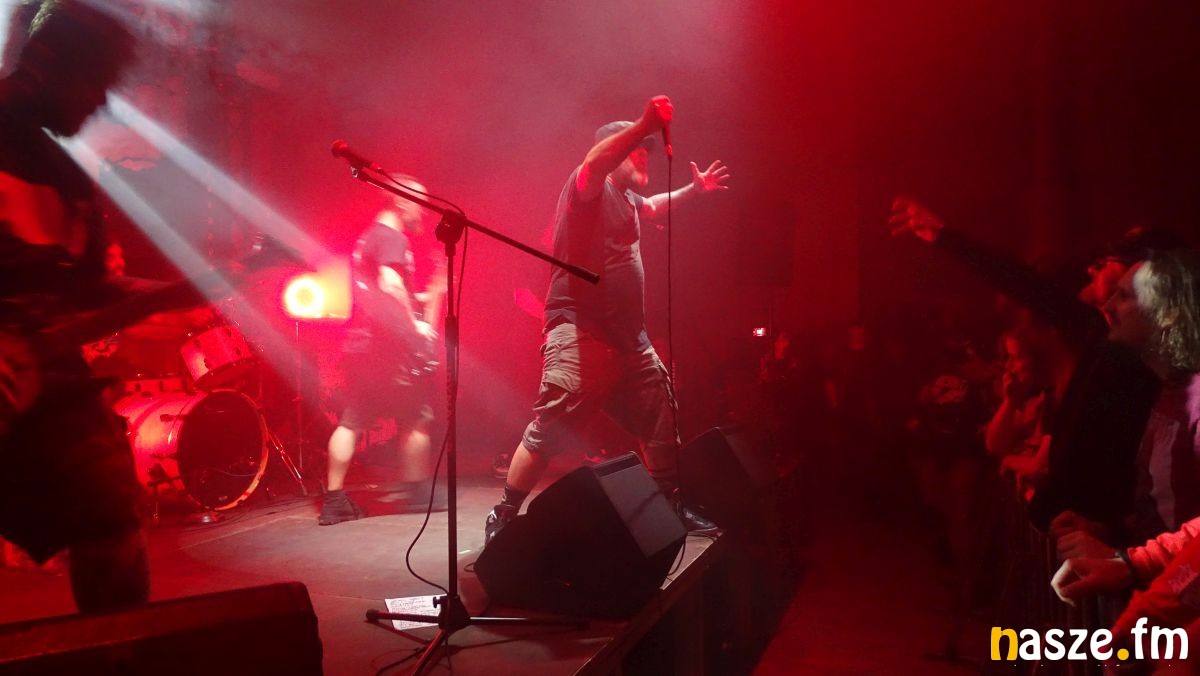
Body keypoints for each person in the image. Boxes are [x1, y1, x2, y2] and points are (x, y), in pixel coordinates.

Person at [484, 95, 730, 545]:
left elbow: (653, 205)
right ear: (615, 153)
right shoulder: (587, 189)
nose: (644, 155)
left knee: (660, 417)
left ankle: (670, 505)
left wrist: (694, 191)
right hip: (582, 331)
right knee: (551, 427)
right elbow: (594, 164)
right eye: (635, 150)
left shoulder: (629, 199)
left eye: (646, 149)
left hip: (629, 339)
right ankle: (505, 511)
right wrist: (643, 125)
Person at [0, 0, 148, 613]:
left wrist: (205, 286)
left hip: (45, 388)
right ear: (53, 65)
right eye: (97, 82)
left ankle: (120, 652)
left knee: (110, 514)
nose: (102, 103)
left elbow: (93, 294)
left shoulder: (67, 178)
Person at [318, 182, 444, 525]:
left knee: (352, 420)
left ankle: (334, 502)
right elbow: (390, 284)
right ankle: (418, 495)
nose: (423, 210)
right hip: (389, 350)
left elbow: (384, 293)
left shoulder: (369, 237)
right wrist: (415, 326)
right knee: (416, 419)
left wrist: (429, 293)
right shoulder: (392, 237)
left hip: (363, 346)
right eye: (419, 203)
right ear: (402, 202)